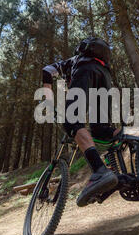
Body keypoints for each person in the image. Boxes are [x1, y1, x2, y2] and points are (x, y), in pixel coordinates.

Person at [41, 37, 120, 207]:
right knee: (101, 130)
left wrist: (48, 101)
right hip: (105, 76)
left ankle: (100, 171)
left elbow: (46, 70)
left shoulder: (71, 62)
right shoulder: (100, 62)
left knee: (72, 122)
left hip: (86, 71)